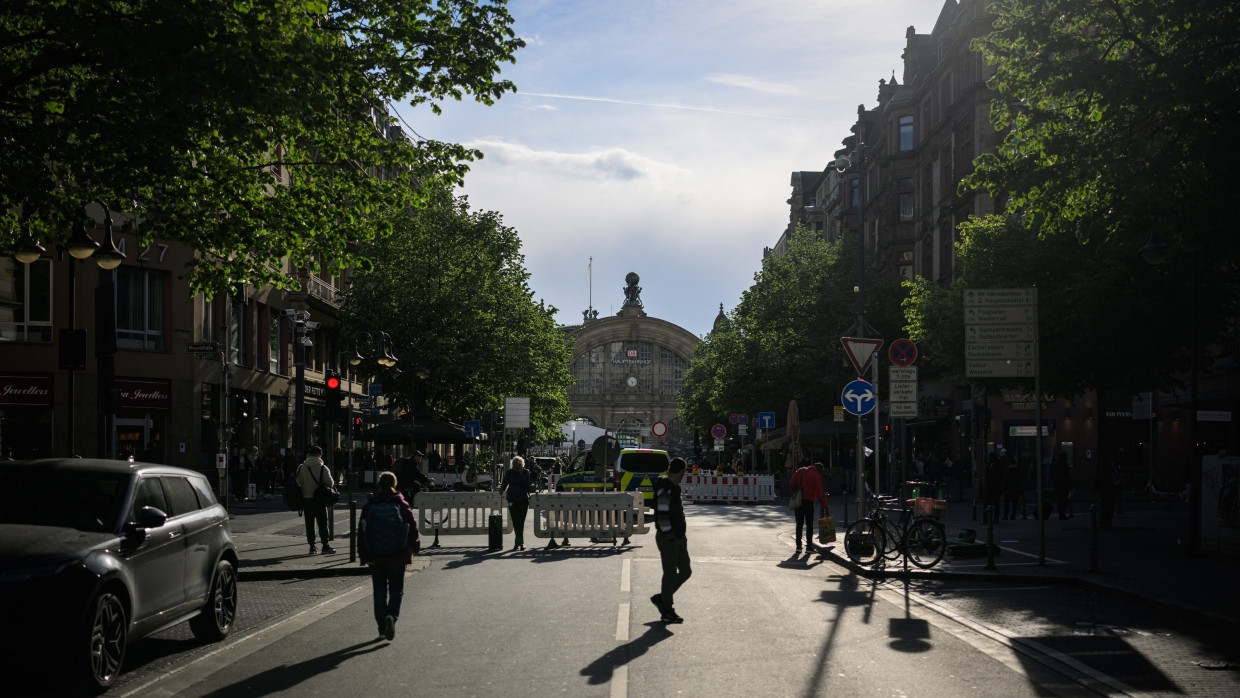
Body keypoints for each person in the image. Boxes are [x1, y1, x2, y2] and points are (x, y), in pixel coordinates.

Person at [358, 470, 420, 641]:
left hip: (375, 555)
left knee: (379, 591)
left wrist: (364, 555)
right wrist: (415, 547)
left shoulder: (370, 506)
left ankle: (381, 627)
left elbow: (361, 532)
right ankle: (391, 616)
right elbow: (413, 528)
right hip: (398, 555)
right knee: (396, 590)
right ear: (394, 484)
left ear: (379, 485)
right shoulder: (401, 504)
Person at [651, 456, 691, 623]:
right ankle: (667, 609)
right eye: (684, 472)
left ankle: (662, 598)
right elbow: (662, 516)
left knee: (685, 571)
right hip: (669, 538)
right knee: (669, 574)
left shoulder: (674, 487)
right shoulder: (665, 489)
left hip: (679, 537)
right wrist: (671, 537)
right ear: (681, 471)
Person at [295, 445, 336, 555]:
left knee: (309, 523)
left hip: (306, 499)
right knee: (323, 523)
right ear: (320, 455)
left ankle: (312, 547)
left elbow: (297, 482)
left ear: (310, 454)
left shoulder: (301, 467)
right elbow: (330, 483)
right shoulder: (323, 468)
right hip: (320, 500)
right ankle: (325, 546)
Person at [789, 461, 828, 551]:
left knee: (799, 524)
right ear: (820, 470)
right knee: (809, 525)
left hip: (798, 501)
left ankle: (798, 546)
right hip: (809, 501)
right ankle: (809, 547)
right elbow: (820, 493)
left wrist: (795, 491)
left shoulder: (800, 470)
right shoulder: (816, 476)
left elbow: (792, 483)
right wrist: (826, 507)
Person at [499, 456, 532, 550]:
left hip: (519, 499)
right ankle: (520, 543)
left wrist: (502, 489)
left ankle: (519, 543)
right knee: (517, 522)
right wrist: (501, 489)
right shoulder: (513, 472)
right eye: (516, 465)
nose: (517, 466)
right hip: (516, 499)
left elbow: (527, 485)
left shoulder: (524, 472)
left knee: (519, 522)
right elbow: (505, 482)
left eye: (518, 465)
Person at [1052, 451, 1073, 519]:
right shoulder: (1065, 465)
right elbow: (1067, 476)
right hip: (1064, 485)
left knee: (1059, 501)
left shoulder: (1056, 465)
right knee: (1065, 500)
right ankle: (1062, 513)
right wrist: (1070, 484)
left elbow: (1054, 475)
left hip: (1058, 485)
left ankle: (1061, 513)